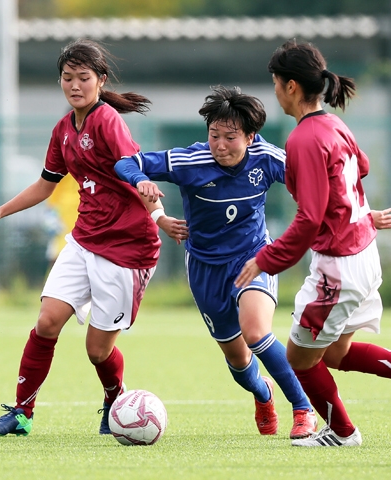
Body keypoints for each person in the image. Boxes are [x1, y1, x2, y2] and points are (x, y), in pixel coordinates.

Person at [235, 39, 391, 448]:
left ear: (290, 86)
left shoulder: (304, 138)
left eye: (274, 83)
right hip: (363, 253)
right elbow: (363, 168)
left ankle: (342, 432)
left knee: (298, 358)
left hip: (336, 268)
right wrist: (358, 214)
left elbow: (308, 219)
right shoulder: (335, 125)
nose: (274, 91)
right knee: (336, 355)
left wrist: (266, 260)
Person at [0, 38, 181, 437]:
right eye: (67, 78)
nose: (74, 85)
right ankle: (21, 413)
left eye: (84, 78)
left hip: (127, 251)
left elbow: (131, 168)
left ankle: (114, 399)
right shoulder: (63, 129)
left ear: (100, 81)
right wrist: (0, 211)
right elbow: (45, 184)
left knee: (96, 351)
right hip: (84, 240)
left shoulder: (107, 121)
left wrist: (159, 216)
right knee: (47, 321)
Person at [115, 85, 317, 439]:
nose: (220, 145)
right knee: (239, 363)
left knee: (256, 332)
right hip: (205, 268)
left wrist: (359, 212)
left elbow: (318, 185)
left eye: (230, 137)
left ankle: (303, 409)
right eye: (214, 135)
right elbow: (125, 162)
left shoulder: (268, 158)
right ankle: (263, 393)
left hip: (252, 257)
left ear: (250, 137)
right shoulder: (191, 161)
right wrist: (142, 180)